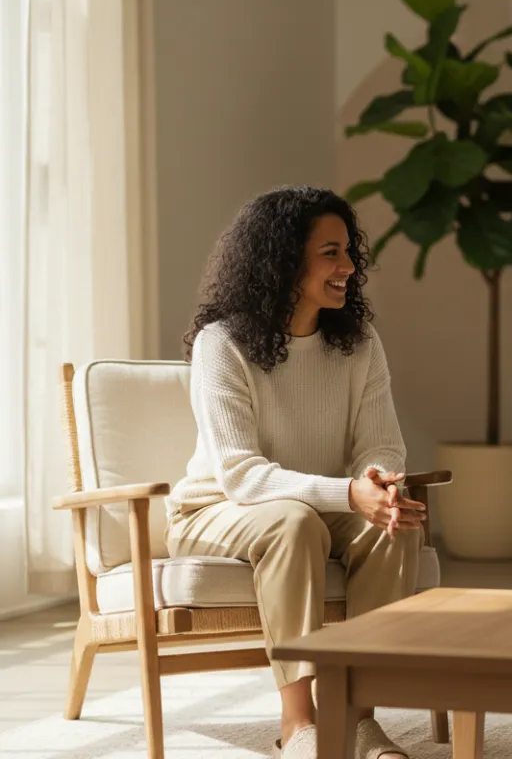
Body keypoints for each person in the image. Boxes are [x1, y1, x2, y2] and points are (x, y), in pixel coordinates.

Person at [169, 186, 424, 759]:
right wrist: (347, 493)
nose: (349, 267)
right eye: (331, 253)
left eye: (348, 252)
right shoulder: (222, 344)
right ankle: (299, 725)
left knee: (392, 522)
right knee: (293, 523)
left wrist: (377, 487)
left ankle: (359, 720)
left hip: (323, 504)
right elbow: (239, 475)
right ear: (283, 260)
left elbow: (381, 443)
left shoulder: (358, 344)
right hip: (218, 510)